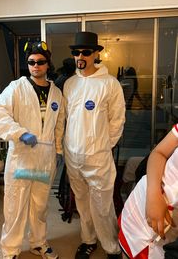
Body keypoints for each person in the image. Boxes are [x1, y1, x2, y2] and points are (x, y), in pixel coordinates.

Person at [0, 41, 64, 259]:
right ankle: (10, 249)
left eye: (40, 62)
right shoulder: (16, 88)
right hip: (22, 158)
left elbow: (59, 124)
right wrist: (20, 133)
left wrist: (58, 150)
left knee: (40, 205)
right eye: (31, 62)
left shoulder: (56, 94)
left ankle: (39, 242)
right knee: (16, 205)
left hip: (44, 158)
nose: (35, 66)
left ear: (47, 64)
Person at [60, 31, 126, 259]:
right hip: (73, 156)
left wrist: (102, 146)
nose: (80, 56)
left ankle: (111, 246)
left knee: (102, 205)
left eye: (86, 52)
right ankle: (88, 240)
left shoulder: (110, 84)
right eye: (76, 52)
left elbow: (117, 121)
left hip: (98, 158)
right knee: (82, 202)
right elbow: (66, 118)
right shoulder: (70, 84)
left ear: (97, 54)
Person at [118, 123, 178, 258]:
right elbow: (159, 152)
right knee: (127, 249)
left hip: (170, 233)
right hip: (142, 208)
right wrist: (153, 194)